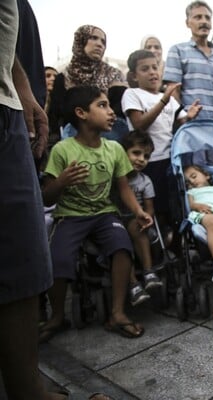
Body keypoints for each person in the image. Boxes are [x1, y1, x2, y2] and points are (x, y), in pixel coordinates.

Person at [40, 86, 153, 342]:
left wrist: (138, 212)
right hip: (70, 214)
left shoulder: (113, 148)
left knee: (123, 248)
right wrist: (61, 182)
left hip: (104, 213)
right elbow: (47, 197)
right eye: (102, 106)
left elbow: (123, 188)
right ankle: (57, 316)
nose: (111, 112)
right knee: (58, 259)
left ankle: (117, 313)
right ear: (81, 113)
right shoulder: (62, 150)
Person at [0, 0, 67, 398]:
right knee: (20, 255)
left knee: (19, 257)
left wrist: (20, 87)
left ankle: (27, 388)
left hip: (6, 102)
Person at [122, 49, 201, 225]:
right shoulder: (132, 94)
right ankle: (157, 243)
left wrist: (189, 116)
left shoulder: (167, 98)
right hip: (148, 161)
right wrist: (164, 100)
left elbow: (179, 124)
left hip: (169, 160)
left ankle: (174, 244)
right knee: (154, 207)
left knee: (171, 205)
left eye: (154, 67)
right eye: (145, 69)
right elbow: (139, 125)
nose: (152, 72)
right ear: (134, 76)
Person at [47, 24, 126, 148]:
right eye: (94, 38)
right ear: (80, 40)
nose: (100, 44)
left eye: (103, 41)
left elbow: (119, 114)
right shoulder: (63, 78)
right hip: (73, 143)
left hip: (111, 143)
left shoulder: (114, 76)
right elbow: (57, 115)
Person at [163, 1, 213, 120]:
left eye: (207, 18)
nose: (204, 21)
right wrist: (183, 120)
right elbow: (173, 92)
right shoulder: (177, 50)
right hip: (190, 126)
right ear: (187, 23)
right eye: (198, 17)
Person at [118, 131, 163, 306]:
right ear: (123, 153)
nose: (141, 159)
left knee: (135, 227)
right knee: (119, 237)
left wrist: (146, 218)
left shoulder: (145, 181)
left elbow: (149, 209)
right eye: (136, 153)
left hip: (138, 222)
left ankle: (148, 272)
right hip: (117, 220)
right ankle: (133, 284)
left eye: (146, 156)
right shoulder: (115, 179)